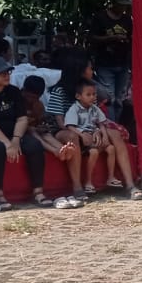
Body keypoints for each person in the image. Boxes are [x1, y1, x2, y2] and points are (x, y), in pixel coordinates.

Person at [0, 57, 53, 209]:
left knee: (34, 145)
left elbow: (22, 119)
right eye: (1, 73)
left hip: (14, 133)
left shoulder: (14, 92)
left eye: (7, 72)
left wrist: (15, 140)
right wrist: (7, 144)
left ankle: (38, 192)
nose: (6, 75)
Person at [66, 78, 142, 200]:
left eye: (94, 94)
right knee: (93, 151)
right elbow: (69, 125)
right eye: (89, 95)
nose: (92, 97)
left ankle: (121, 181)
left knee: (112, 145)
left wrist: (104, 134)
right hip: (82, 136)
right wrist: (82, 134)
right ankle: (85, 184)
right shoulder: (74, 108)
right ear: (78, 96)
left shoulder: (94, 107)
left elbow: (102, 123)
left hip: (95, 133)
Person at [20, 75, 82, 207]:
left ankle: (62, 149)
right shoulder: (17, 100)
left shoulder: (38, 105)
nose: (31, 100)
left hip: (36, 131)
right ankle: (56, 151)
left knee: (44, 133)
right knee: (32, 131)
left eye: (35, 97)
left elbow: (40, 122)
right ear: (23, 90)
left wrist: (40, 126)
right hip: (22, 133)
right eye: (29, 96)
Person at [87, 0, 133, 119]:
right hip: (105, 63)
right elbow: (92, 37)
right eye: (122, 5)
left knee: (119, 99)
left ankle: (116, 123)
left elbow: (131, 37)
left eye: (126, 6)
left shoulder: (127, 19)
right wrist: (110, 38)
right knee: (109, 97)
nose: (124, 8)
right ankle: (110, 124)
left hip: (123, 62)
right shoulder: (101, 17)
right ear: (115, 3)